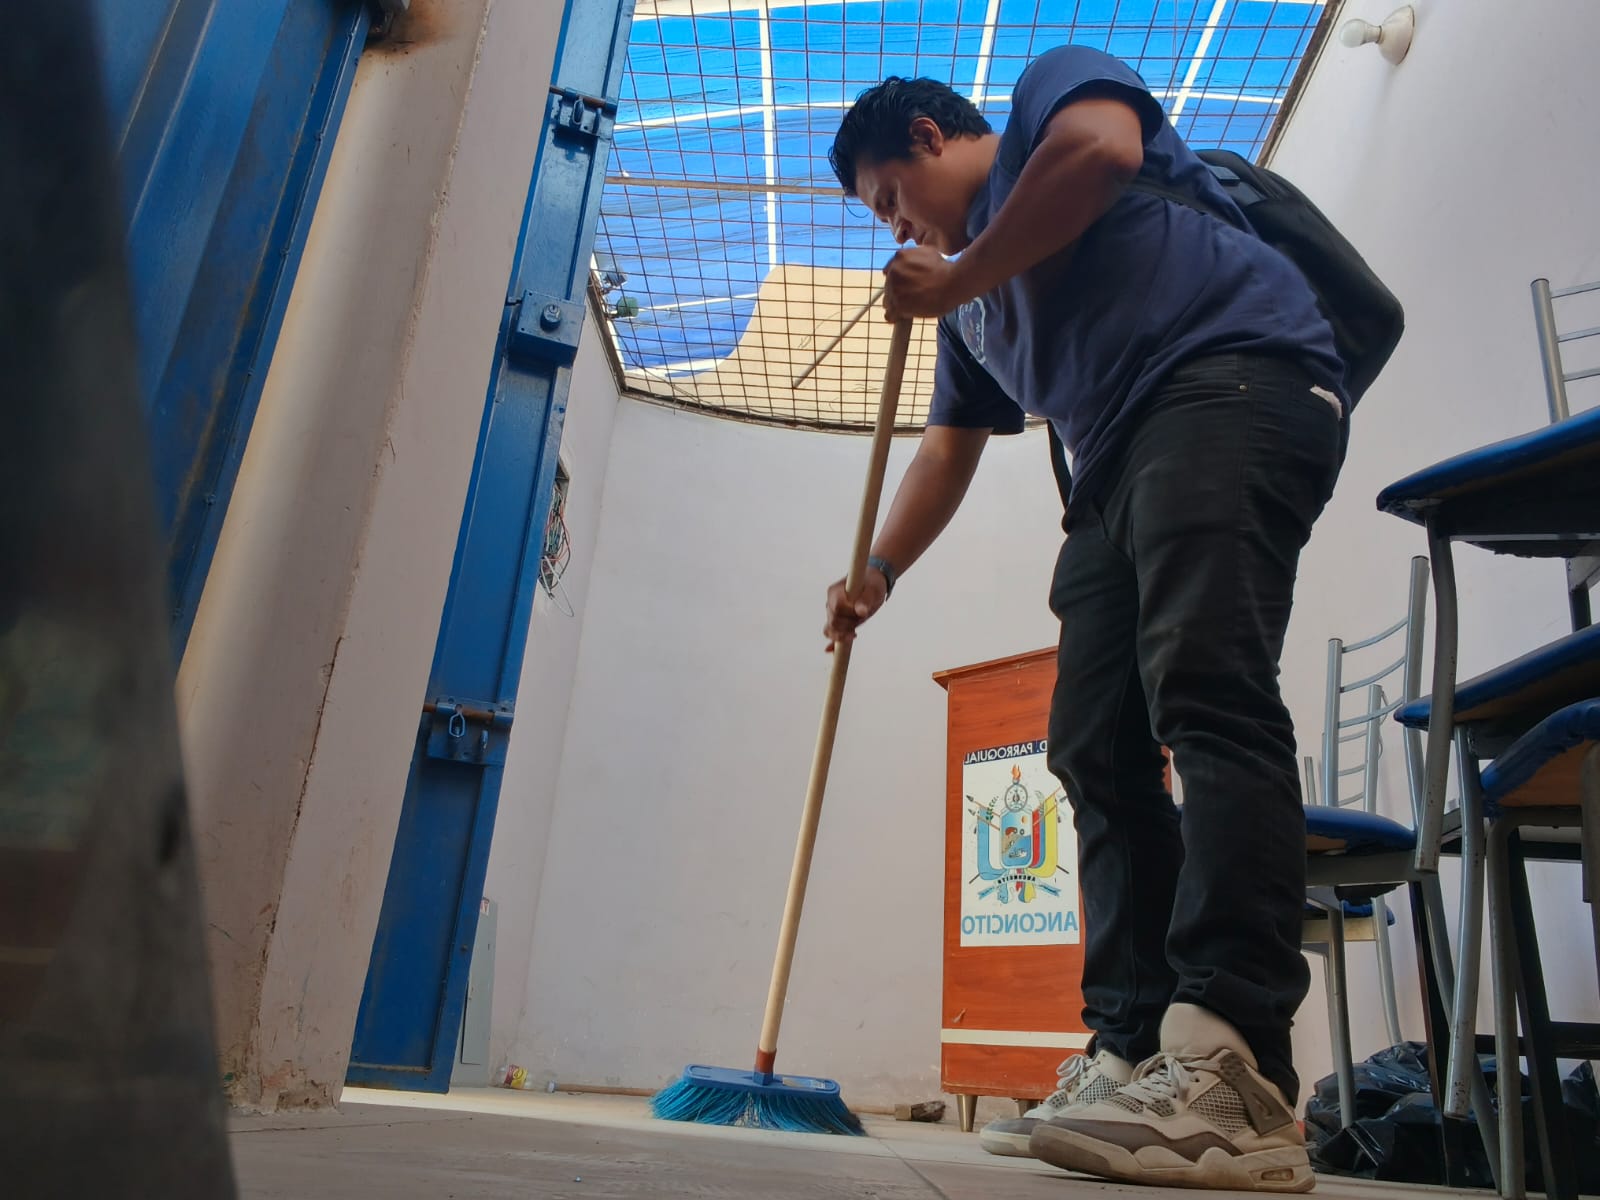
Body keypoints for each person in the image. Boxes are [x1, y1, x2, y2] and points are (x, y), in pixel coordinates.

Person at [825, 45, 1348, 1193]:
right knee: (1093, 746)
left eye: (887, 197)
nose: (891, 227)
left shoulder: (1043, 106)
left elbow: (1103, 150)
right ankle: (1131, 1046)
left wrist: (957, 276)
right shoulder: (972, 312)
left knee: (1206, 685)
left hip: (1230, 381)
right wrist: (877, 571)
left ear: (926, 138)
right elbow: (946, 451)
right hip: (1111, 466)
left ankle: (1236, 1064)